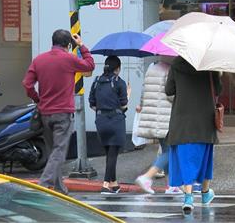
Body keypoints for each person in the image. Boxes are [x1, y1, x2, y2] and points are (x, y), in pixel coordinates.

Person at [22, 29, 95, 195]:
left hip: (44, 113)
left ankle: (60, 189)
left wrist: (37, 99)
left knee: (53, 151)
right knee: (59, 152)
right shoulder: (69, 59)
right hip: (63, 113)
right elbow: (90, 65)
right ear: (68, 44)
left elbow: (27, 84)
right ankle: (44, 183)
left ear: (52, 42)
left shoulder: (39, 60)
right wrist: (82, 46)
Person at [165, 56, 221, 214]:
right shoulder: (211, 63)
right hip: (204, 120)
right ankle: (205, 194)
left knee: (186, 158)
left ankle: (188, 197)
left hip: (182, 120)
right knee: (205, 158)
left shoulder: (176, 63)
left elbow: (169, 90)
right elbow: (218, 90)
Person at [134, 58, 182, 195]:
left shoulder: (151, 68)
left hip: (153, 117)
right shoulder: (170, 70)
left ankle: (172, 185)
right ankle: (147, 177)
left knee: (168, 149)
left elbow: (144, 91)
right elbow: (171, 95)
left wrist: (142, 105)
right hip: (165, 117)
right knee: (170, 152)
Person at [89, 56, 128, 194]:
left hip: (100, 121)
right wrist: (127, 95)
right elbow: (124, 105)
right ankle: (105, 184)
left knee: (109, 153)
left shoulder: (97, 81)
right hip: (115, 121)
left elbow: (92, 104)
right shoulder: (119, 82)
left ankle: (114, 183)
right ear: (118, 68)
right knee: (113, 154)